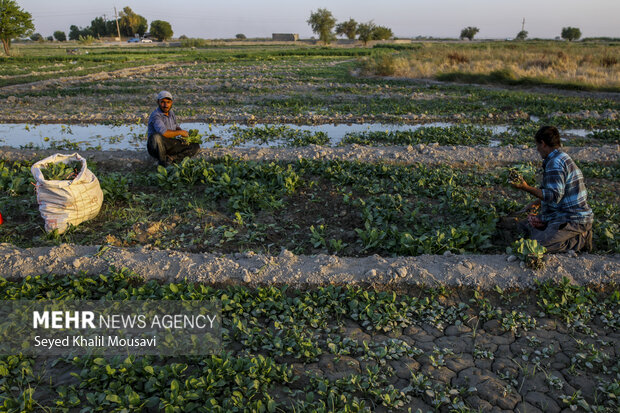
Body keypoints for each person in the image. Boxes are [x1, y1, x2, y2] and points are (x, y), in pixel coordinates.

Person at [511, 125, 593, 253]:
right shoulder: (561, 157)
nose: (537, 149)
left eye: (537, 145)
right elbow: (560, 192)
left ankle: (580, 239)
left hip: (573, 219)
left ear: (543, 144)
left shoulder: (555, 163)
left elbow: (554, 196)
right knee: (523, 227)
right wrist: (536, 203)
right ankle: (556, 232)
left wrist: (525, 187)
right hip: (561, 214)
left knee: (535, 246)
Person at [147, 91, 200, 167]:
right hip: (156, 147)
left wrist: (183, 135)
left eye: (168, 102)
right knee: (156, 137)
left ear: (171, 102)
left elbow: (176, 127)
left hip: (169, 144)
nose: (165, 105)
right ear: (158, 102)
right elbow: (164, 133)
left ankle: (172, 159)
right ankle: (162, 163)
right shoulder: (156, 115)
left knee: (195, 146)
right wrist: (181, 132)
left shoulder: (171, 113)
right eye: (163, 102)